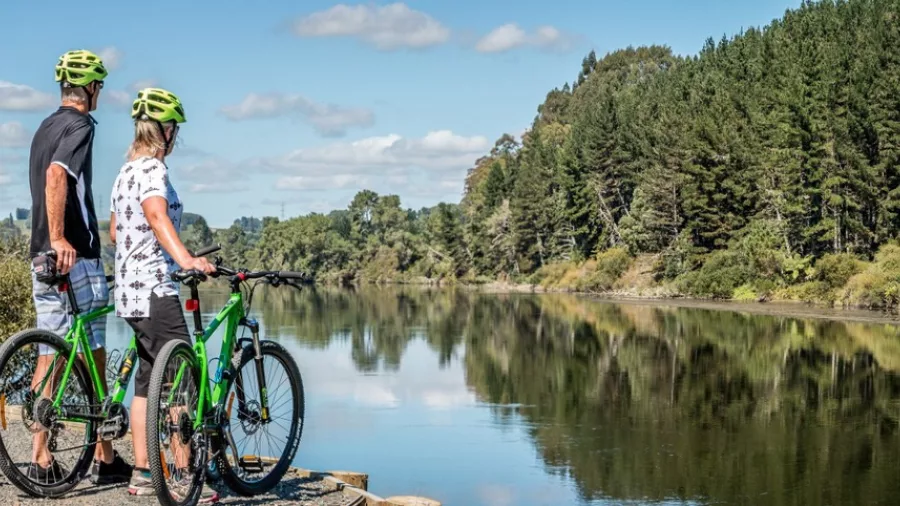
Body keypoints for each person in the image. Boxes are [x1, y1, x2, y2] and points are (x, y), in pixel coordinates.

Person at [28, 49, 132, 485]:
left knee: (49, 352)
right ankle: (105, 458)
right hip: (76, 258)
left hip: (42, 259)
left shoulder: (44, 126)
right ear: (91, 88)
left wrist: (49, 243)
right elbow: (56, 176)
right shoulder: (79, 124)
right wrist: (61, 237)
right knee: (93, 352)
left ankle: (41, 457)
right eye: (100, 87)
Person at [109, 87, 217, 502]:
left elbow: (117, 231)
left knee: (147, 381)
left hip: (130, 293)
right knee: (182, 381)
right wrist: (185, 259)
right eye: (175, 129)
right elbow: (156, 216)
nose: (175, 138)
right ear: (164, 129)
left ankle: (141, 471)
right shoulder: (152, 171)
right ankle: (183, 475)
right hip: (155, 287)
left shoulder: (124, 172)